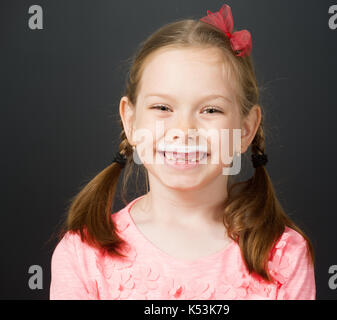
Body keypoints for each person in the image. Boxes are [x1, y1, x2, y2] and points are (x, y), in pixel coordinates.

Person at [50, 3, 315, 300]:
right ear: (130, 120)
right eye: (162, 107)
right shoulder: (84, 255)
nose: (184, 129)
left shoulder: (283, 256)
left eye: (211, 109)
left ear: (245, 130)